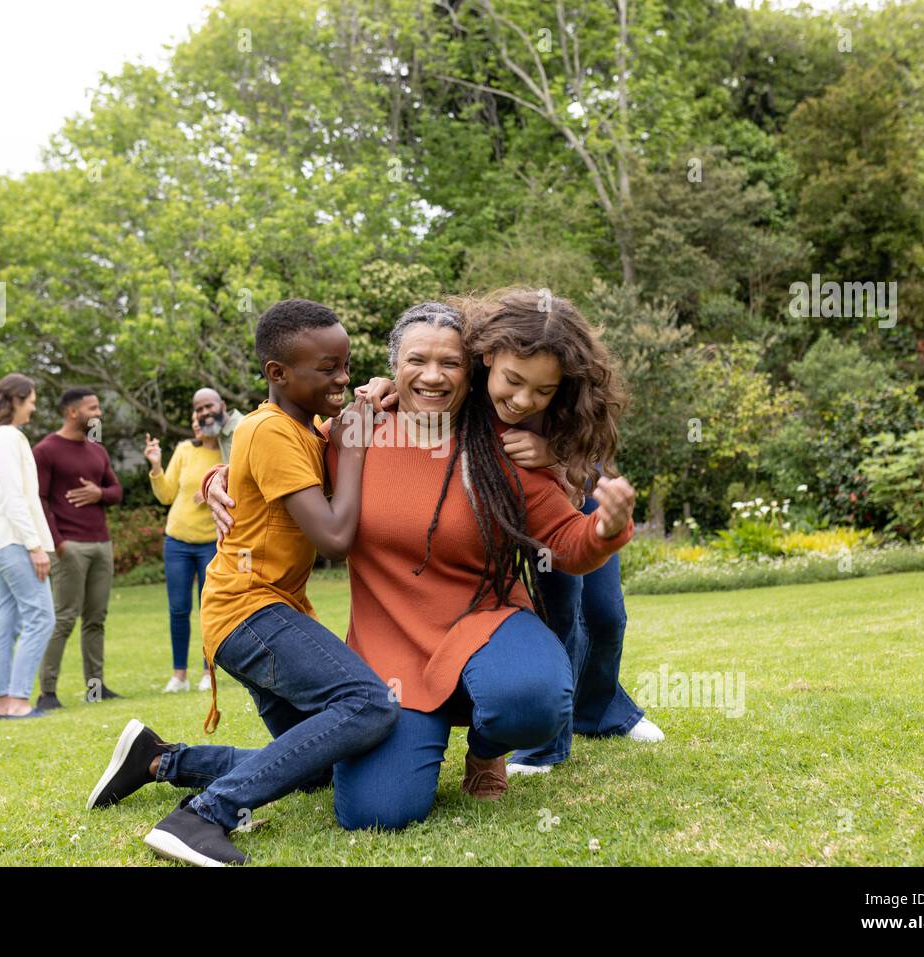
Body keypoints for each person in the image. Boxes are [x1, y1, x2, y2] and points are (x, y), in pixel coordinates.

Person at [205, 301, 635, 830]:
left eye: (450, 363)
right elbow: (276, 459)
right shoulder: (353, 434)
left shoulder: (504, 443)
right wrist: (217, 479)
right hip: (391, 645)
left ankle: (487, 748)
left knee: (531, 699)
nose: (433, 376)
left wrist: (605, 530)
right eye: (417, 360)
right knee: (376, 814)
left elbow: (565, 542)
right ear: (394, 367)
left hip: (486, 621)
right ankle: (180, 762)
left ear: (470, 370)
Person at [85, 299, 398, 866]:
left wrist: (377, 392)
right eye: (327, 367)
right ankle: (202, 815)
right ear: (278, 374)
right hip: (251, 611)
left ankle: (158, 761)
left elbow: (356, 410)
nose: (343, 377)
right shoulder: (273, 430)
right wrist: (350, 451)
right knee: (368, 705)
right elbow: (333, 538)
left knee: (317, 765)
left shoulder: (303, 428)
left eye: (346, 364)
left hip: (255, 613)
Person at [359, 288, 662, 780]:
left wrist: (558, 457)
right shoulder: (470, 381)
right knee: (558, 607)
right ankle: (544, 746)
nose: (523, 401)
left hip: (576, 491)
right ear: (487, 359)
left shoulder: (573, 400)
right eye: (513, 383)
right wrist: (384, 385)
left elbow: (592, 463)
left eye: (541, 392)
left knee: (606, 614)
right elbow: (426, 377)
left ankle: (607, 712)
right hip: (505, 496)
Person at [145, 388, 242, 694]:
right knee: (178, 609)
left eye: (208, 407)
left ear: (221, 408)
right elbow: (166, 495)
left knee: (208, 609)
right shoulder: (185, 449)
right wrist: (156, 466)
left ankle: (207, 672)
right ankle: (179, 676)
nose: (203, 414)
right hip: (178, 541)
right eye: (197, 409)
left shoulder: (228, 449)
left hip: (211, 542)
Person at [32, 387, 124, 709]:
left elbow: (116, 491)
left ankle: (95, 689)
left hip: (101, 545)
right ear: (73, 412)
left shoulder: (97, 450)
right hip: (69, 548)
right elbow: (38, 499)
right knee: (64, 618)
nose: (98, 414)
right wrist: (57, 543)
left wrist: (99, 494)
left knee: (96, 619)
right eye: (93, 408)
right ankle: (47, 693)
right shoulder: (46, 450)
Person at [0, 373, 56, 720]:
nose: (34, 408)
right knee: (41, 617)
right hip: (11, 540)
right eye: (31, 400)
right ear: (16, 400)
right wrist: (35, 545)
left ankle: (4, 702)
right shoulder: (7, 437)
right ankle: (20, 702)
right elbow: (13, 496)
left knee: (6, 621)